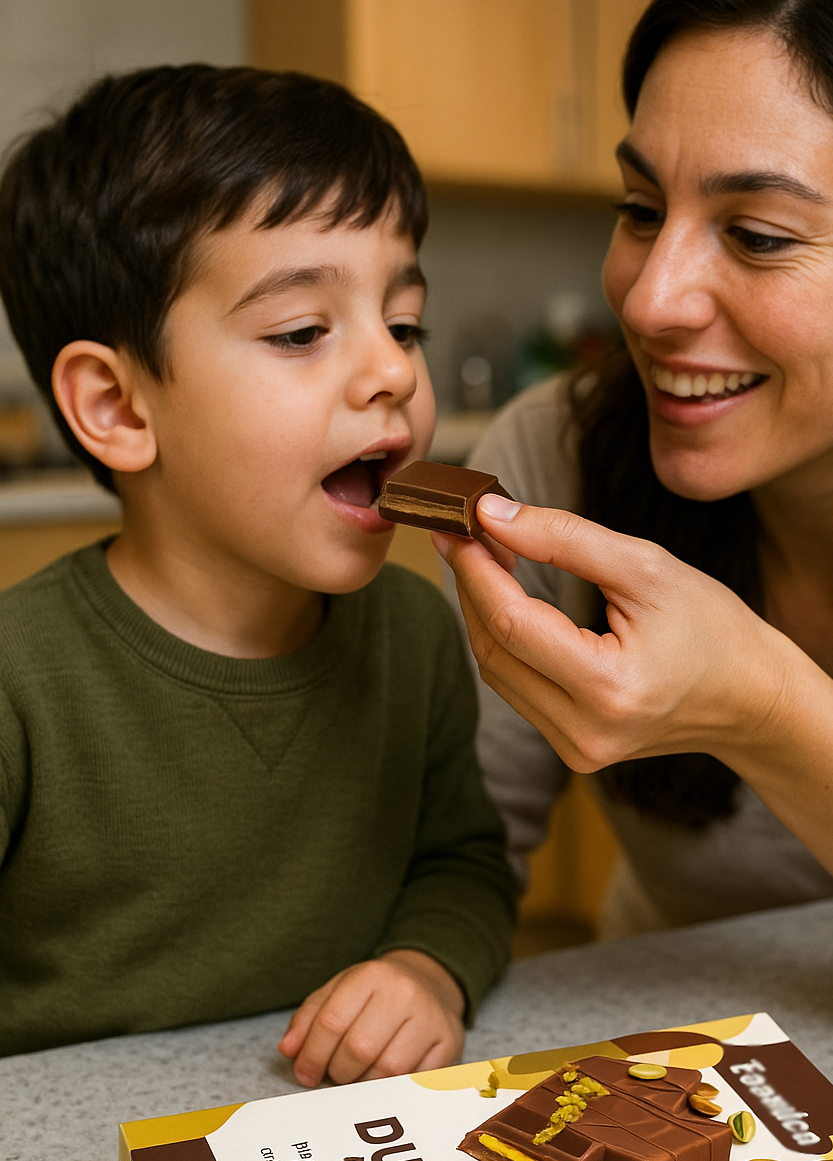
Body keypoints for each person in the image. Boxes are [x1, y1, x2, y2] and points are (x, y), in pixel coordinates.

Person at [439, 0, 833, 1032]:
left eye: (756, 235)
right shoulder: (554, 460)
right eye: (639, 208)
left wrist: (765, 707)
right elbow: (451, 855)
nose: (651, 299)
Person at [0, 65, 516, 1079]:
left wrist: (425, 969)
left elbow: (461, 863)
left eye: (402, 321)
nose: (396, 372)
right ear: (117, 406)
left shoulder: (412, 636)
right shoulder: (20, 683)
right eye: (301, 331)